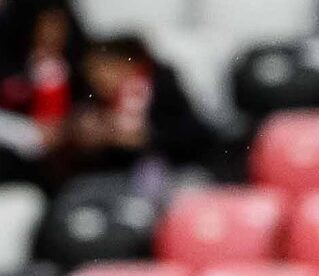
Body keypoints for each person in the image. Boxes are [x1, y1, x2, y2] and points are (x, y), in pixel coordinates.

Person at [62, 35, 215, 177]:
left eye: (104, 68)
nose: (96, 78)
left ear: (128, 66)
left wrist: (147, 138)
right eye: (91, 71)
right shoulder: (88, 101)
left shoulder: (161, 91)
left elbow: (195, 137)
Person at [0, 0, 89, 185]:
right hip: (14, 160)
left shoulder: (83, 69)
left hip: (64, 166)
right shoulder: (11, 64)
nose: (51, 32)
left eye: (58, 24)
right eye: (45, 24)